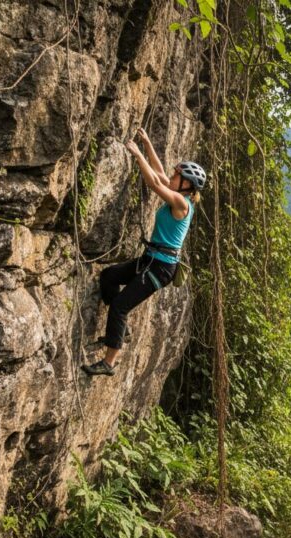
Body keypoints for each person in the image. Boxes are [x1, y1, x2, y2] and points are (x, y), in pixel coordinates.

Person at [82, 128, 207, 376]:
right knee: (109, 276)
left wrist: (137, 154)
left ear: (187, 185)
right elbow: (159, 173)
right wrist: (148, 142)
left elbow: (152, 181)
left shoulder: (182, 203)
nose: (171, 176)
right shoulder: (178, 196)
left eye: (177, 175)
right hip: (150, 260)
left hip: (161, 269)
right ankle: (120, 330)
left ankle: (108, 363)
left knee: (120, 306)